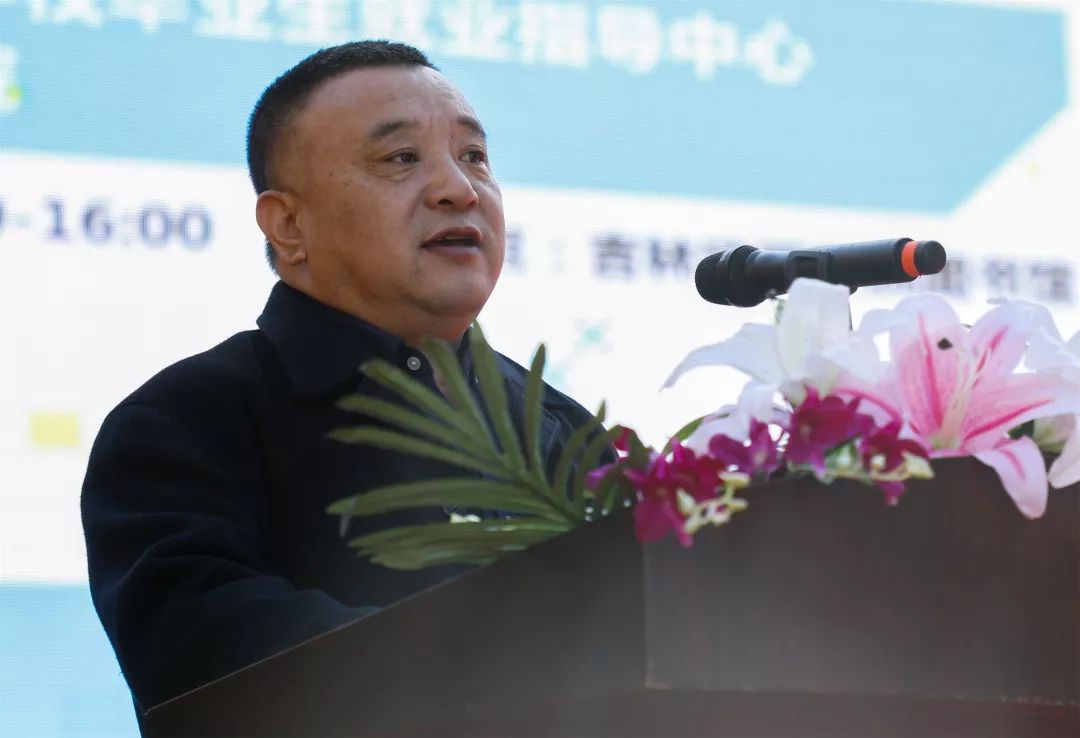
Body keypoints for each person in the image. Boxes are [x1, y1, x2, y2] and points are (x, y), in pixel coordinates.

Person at [81, 40, 603, 722]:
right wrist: (502, 669)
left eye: (474, 155)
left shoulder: (564, 429)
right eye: (401, 158)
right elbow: (213, 663)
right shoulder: (183, 423)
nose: (460, 189)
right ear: (288, 224)